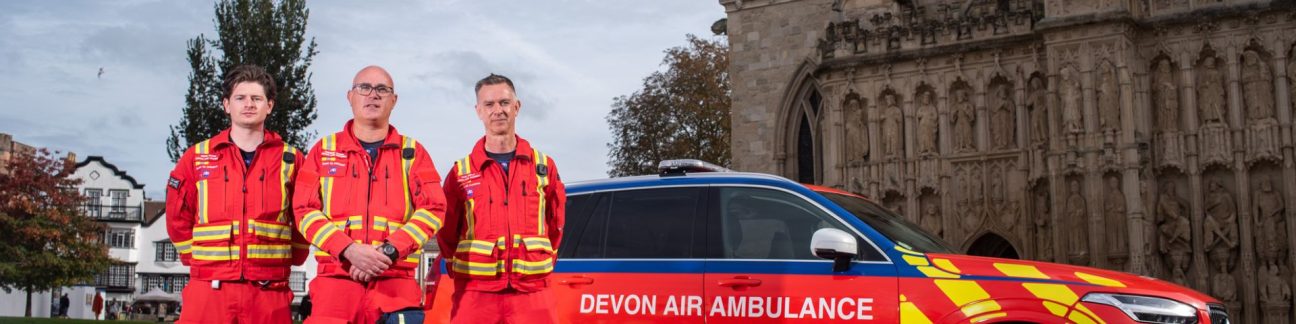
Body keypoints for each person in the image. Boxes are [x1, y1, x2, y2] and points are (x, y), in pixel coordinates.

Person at [293, 66, 445, 324]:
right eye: (364, 88)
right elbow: (303, 211)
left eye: (382, 89)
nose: (373, 95)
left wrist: (388, 252)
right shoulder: (324, 151)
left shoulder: (413, 153)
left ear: (393, 101)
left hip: (396, 285)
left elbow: (434, 209)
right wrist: (349, 250)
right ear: (350, 96)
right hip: (335, 285)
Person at [166, 64, 310, 324]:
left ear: (269, 106)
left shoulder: (292, 159)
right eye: (240, 98)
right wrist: (195, 258)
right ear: (226, 105)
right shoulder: (197, 157)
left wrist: (295, 256)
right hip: (209, 287)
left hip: (269, 289)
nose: (249, 104)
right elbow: (178, 214)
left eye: (257, 98)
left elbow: (304, 214)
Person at [440, 74, 566, 323]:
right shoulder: (461, 172)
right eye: (489, 104)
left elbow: (556, 222)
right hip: (475, 295)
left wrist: (537, 260)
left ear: (516, 107)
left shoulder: (543, 166)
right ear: (478, 111)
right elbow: (446, 230)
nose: (498, 111)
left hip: (533, 293)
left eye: (504, 103)